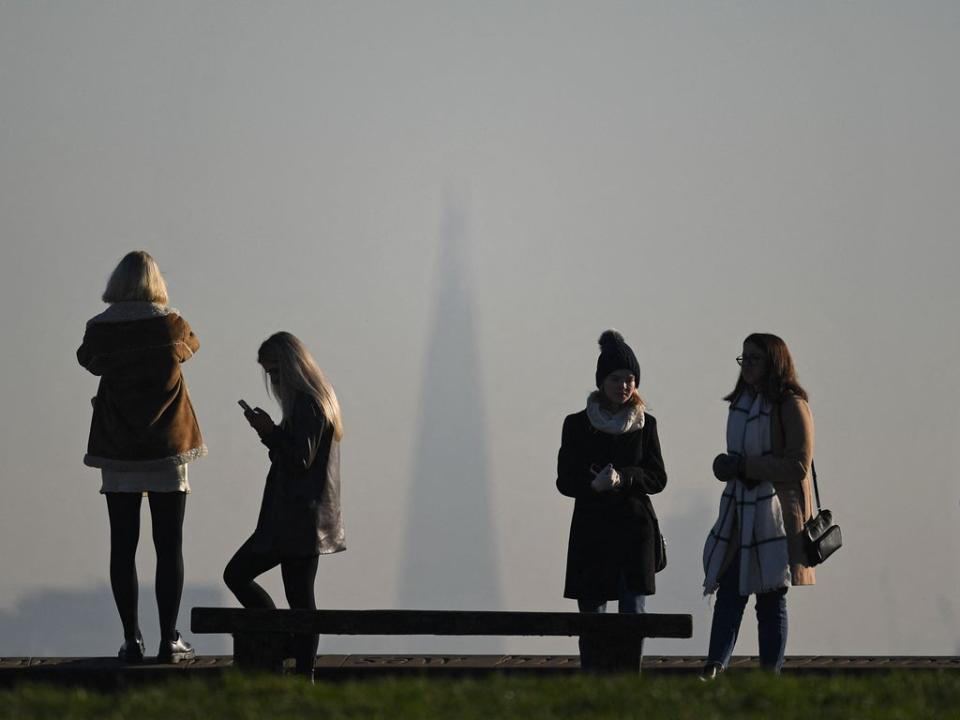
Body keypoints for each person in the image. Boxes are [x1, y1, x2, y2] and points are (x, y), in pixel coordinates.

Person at [77, 251, 206, 663]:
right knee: (169, 545)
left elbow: (87, 361)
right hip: (168, 445)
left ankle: (131, 639)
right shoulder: (172, 326)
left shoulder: (99, 330)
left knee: (123, 545)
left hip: (118, 448)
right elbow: (193, 347)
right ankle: (170, 639)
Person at [223, 331, 345, 680]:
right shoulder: (316, 401)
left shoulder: (307, 404)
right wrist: (273, 432)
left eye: (276, 372)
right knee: (300, 598)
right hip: (301, 519)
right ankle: (298, 662)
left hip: (297, 520)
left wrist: (267, 431)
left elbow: (298, 459)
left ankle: (288, 651)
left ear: (292, 368)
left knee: (248, 578)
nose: (273, 381)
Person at [701, 333, 816, 678]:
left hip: (776, 515)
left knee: (770, 597)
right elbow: (740, 458)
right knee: (730, 589)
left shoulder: (791, 404)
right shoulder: (741, 404)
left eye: (754, 358)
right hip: (741, 510)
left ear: (774, 363)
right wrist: (726, 466)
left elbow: (799, 465)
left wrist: (746, 467)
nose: (746, 365)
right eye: (743, 358)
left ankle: (770, 673)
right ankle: (715, 665)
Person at [556, 330, 667, 671]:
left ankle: (628, 679)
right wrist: (594, 485)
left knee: (633, 613)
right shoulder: (576, 425)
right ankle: (593, 678)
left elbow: (658, 478)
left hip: (635, 531)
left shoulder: (646, 425)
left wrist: (626, 476)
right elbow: (564, 481)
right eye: (617, 379)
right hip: (592, 530)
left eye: (630, 379)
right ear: (602, 381)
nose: (624, 386)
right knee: (592, 615)